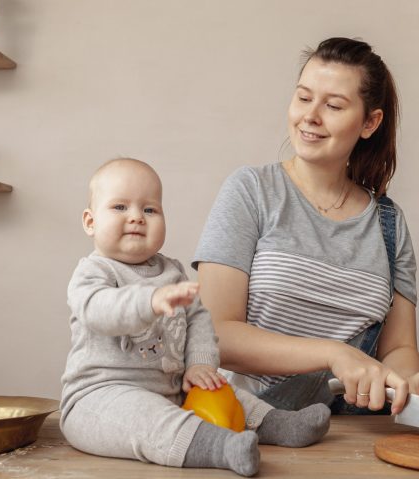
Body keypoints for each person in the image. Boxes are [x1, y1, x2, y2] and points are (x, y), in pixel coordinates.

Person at [192, 38, 419, 415]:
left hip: (352, 435)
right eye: (304, 98)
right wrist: (333, 354)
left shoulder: (389, 224)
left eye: (333, 105)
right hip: (249, 422)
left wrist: (410, 382)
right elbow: (214, 334)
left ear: (370, 122)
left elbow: (398, 349)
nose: (310, 116)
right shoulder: (252, 191)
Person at [60, 158, 330, 477]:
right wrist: (150, 300)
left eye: (150, 210)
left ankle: (277, 424)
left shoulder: (172, 272)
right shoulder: (94, 272)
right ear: (90, 222)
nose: (136, 217)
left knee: (222, 390)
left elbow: (198, 319)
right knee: (149, 420)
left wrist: (201, 364)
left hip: (171, 390)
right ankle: (220, 448)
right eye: (120, 207)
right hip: (101, 398)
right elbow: (99, 310)